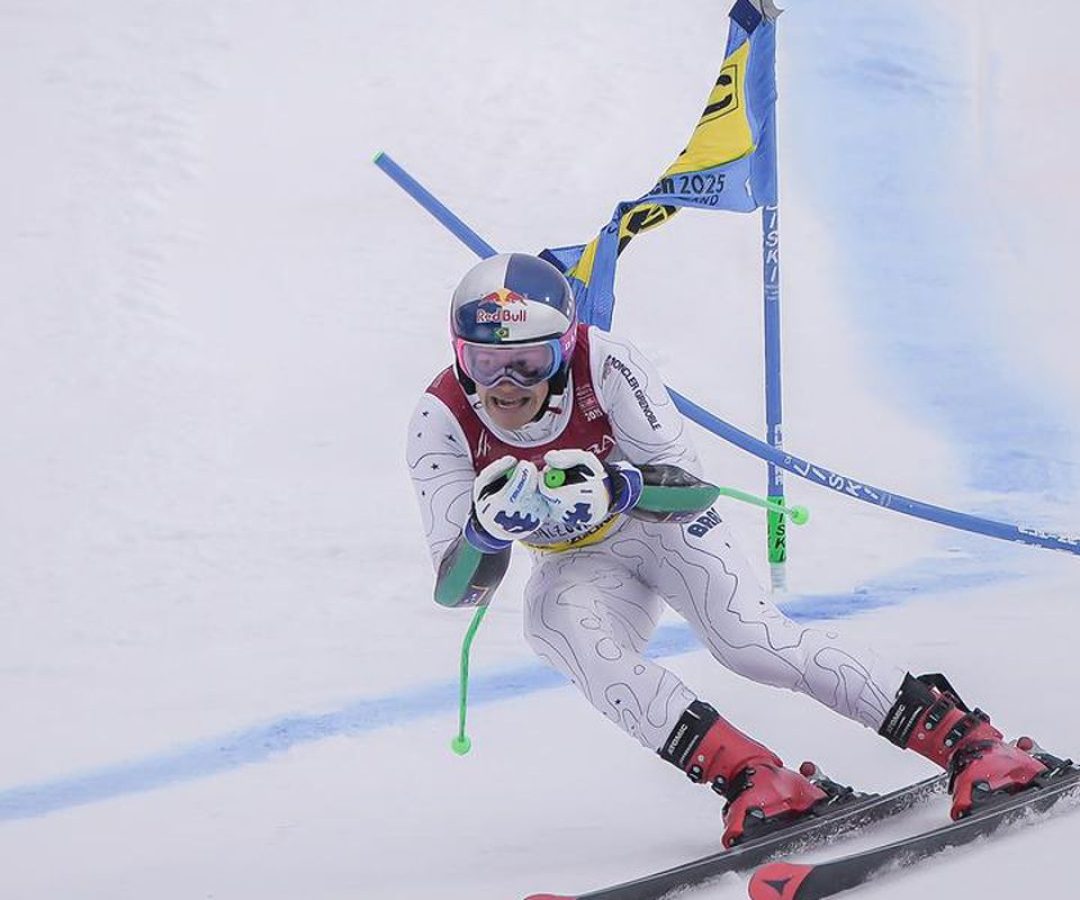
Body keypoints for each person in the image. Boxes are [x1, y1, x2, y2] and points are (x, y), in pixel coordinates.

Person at [405, 252, 1048, 848]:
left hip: (660, 526)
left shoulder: (606, 364)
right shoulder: (440, 418)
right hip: (578, 562)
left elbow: (691, 489)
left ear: (565, 347)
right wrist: (485, 533)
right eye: (486, 364)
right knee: (556, 627)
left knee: (751, 642)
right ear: (461, 357)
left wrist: (616, 487)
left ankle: (969, 742)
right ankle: (753, 775)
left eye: (531, 362)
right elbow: (458, 589)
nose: (507, 384)